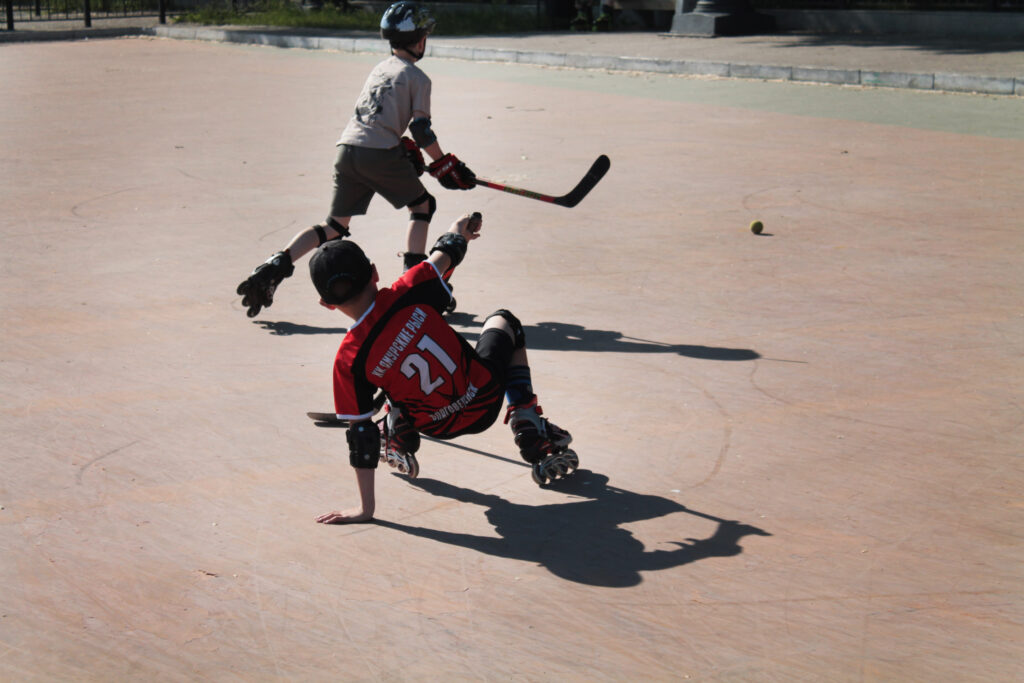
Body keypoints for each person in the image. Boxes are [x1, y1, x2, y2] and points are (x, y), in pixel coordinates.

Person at [309, 212, 578, 524]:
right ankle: (527, 420)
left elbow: (360, 434)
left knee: (389, 381)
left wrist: (365, 509)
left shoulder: (348, 359)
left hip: (436, 425)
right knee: (505, 321)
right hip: (484, 400)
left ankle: (399, 433)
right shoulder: (410, 289)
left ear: (326, 304)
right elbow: (446, 254)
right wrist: (458, 231)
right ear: (375, 273)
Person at [236, 1, 475, 319]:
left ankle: (276, 263)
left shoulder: (379, 69)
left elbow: (377, 117)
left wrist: (404, 151)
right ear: (420, 40)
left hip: (347, 149)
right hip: (378, 152)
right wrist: (445, 163)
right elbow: (421, 130)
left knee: (334, 225)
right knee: (423, 206)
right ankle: (415, 289)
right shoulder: (418, 77)